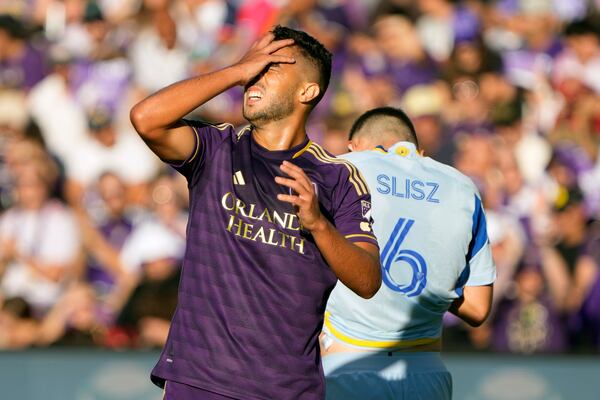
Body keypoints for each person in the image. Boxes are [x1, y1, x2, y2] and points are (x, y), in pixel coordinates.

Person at [130, 25, 381, 400]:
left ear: (307, 91)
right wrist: (235, 70)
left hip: (285, 389)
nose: (255, 75)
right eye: (254, 65)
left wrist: (318, 225)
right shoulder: (217, 149)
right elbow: (146, 118)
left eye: (271, 67)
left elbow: (367, 280)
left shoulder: (337, 177)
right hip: (199, 379)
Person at [321, 107, 496, 400]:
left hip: (348, 363)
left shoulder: (342, 167)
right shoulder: (464, 188)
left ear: (354, 145)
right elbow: (478, 308)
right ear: (419, 151)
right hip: (427, 372)